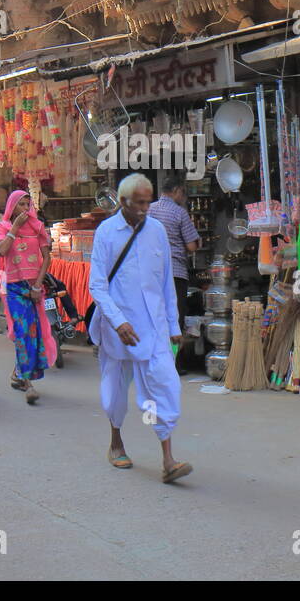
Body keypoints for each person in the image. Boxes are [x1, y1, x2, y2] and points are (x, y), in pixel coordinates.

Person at [89, 173, 191, 483]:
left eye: (149, 201)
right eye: (140, 203)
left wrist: (173, 324)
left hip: (154, 325)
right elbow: (97, 285)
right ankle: (116, 442)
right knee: (115, 391)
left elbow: (166, 284)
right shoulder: (106, 232)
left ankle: (168, 459)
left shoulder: (157, 231)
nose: (146, 208)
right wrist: (118, 322)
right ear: (123, 202)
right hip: (120, 327)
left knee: (164, 385)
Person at [0, 189, 56, 404]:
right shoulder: (3, 227)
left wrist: (38, 285)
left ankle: (17, 374)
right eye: (21, 204)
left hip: (34, 286)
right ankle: (28, 383)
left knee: (34, 332)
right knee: (22, 332)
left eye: (28, 205)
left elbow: (46, 257)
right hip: (13, 286)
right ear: (12, 208)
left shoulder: (38, 228)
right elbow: (1, 251)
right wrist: (16, 228)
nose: (25, 209)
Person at [147, 174, 200, 372]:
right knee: (174, 318)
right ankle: (173, 364)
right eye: (183, 193)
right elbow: (192, 246)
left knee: (153, 316)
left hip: (151, 273)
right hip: (175, 273)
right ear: (176, 191)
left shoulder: (149, 210)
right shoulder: (179, 213)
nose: (183, 197)